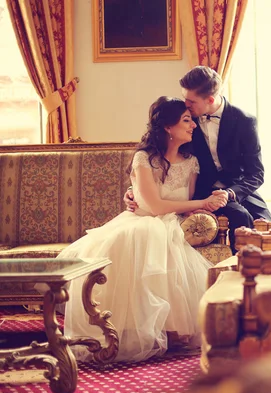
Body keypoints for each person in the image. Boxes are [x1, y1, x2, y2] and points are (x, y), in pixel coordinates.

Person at [58, 96, 228, 362]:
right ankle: (127, 331)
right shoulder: (144, 158)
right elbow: (154, 205)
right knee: (140, 238)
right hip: (142, 220)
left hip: (171, 224)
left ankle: (172, 332)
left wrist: (197, 207)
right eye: (186, 120)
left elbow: (181, 204)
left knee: (166, 242)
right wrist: (203, 202)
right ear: (168, 127)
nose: (193, 125)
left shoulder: (191, 161)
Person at [125, 66, 271, 253]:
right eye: (184, 97)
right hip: (201, 192)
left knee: (266, 224)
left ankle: (261, 272)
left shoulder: (244, 121)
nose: (185, 104)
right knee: (239, 216)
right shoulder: (182, 120)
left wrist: (230, 193)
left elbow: (256, 174)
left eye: (191, 101)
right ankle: (241, 272)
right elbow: (155, 155)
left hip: (236, 189)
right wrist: (134, 190)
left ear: (210, 100)